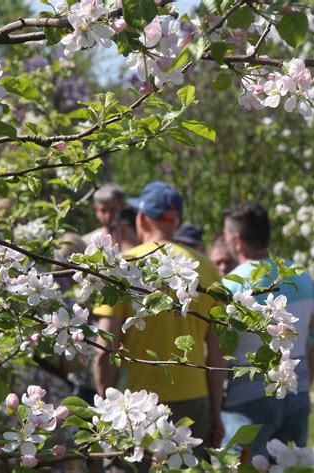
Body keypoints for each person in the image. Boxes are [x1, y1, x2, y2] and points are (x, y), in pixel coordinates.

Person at [93, 182, 225, 457]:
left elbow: (105, 348)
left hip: (137, 406)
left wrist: (107, 407)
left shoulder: (122, 267)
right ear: (175, 221)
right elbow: (216, 353)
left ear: (141, 218)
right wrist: (216, 415)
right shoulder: (207, 268)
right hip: (194, 400)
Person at [221, 202, 314, 456]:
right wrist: (305, 382)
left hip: (247, 400)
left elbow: (218, 348)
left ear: (237, 240)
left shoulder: (231, 284)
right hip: (295, 391)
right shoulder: (301, 275)